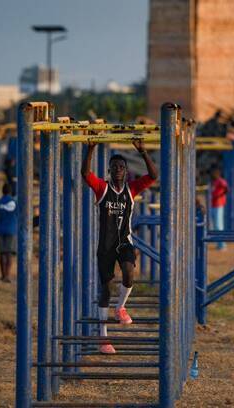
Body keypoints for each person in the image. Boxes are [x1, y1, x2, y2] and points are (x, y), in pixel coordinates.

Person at [82, 140, 157, 354]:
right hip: (105, 245)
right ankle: (103, 338)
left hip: (124, 241)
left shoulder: (131, 190)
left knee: (129, 273)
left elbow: (153, 176)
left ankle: (121, 307)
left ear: (126, 172)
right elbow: (85, 173)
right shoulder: (102, 189)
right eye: (114, 167)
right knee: (105, 289)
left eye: (121, 167)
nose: (117, 170)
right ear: (109, 170)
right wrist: (90, 148)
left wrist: (142, 151)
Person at [210, 167, 228, 249]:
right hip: (214, 205)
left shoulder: (221, 181)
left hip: (218, 205)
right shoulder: (215, 181)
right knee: (215, 225)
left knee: (218, 225)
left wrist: (220, 195)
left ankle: (222, 244)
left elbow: (226, 188)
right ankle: (219, 243)